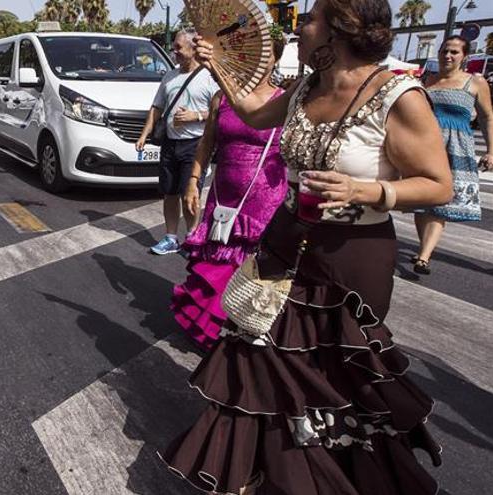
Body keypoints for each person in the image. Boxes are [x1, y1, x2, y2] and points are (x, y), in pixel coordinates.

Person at [160, 0, 453, 493]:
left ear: (339, 29)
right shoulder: (305, 87)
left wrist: (371, 190)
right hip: (285, 241)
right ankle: (273, 473)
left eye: (311, 17)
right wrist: (220, 66)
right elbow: (253, 114)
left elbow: (437, 184)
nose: (301, 25)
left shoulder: (397, 95)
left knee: (335, 377)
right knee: (264, 359)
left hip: (352, 256)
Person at [172, 34, 288, 352]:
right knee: (215, 258)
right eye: (251, 54)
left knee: (249, 267)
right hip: (223, 195)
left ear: (276, 59)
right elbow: (207, 142)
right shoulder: (223, 97)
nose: (256, 61)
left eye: (264, 56)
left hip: (263, 199)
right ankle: (209, 328)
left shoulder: (285, 100)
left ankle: (243, 328)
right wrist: (194, 180)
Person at [412, 35, 493, 275]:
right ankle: (423, 248)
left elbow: (488, 117)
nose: (448, 56)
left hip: (456, 148)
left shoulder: (475, 83)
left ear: (464, 56)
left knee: (441, 203)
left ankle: (424, 257)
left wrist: (492, 151)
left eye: (454, 52)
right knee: (421, 203)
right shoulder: (428, 80)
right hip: (426, 146)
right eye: (444, 51)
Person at [136, 29, 219, 255]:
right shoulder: (170, 76)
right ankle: (170, 238)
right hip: (170, 144)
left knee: (189, 194)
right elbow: (157, 107)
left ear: (194, 49)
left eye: (179, 48)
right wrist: (144, 134)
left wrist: (197, 116)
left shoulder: (210, 77)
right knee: (169, 192)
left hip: (196, 145)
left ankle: (192, 238)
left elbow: (220, 111)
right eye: (174, 47)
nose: (174, 51)